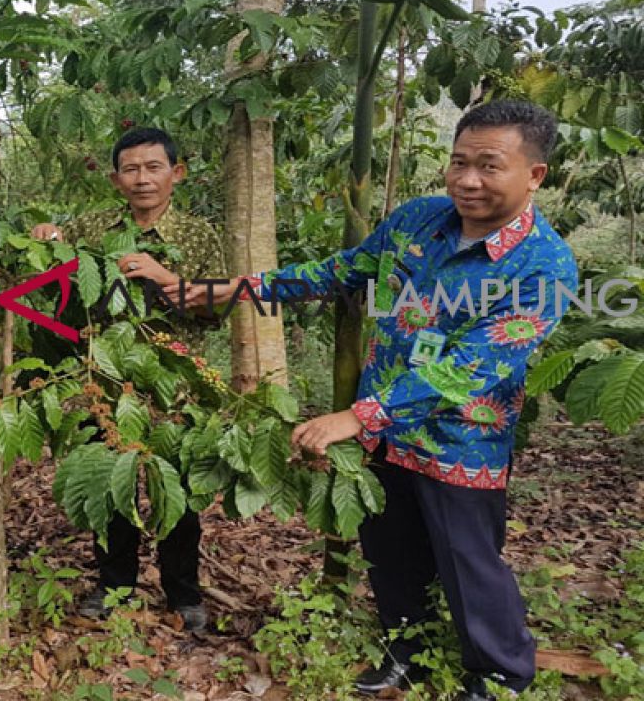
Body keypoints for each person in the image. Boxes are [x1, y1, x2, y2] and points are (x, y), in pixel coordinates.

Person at [175, 100, 577, 699]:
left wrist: (355, 416)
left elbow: (472, 369)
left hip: (459, 442)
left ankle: (499, 673)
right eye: (459, 162)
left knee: (470, 563)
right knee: (389, 553)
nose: (468, 180)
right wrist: (229, 289)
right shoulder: (419, 220)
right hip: (382, 437)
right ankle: (405, 651)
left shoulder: (543, 266)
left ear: (534, 176)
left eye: (490, 166)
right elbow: (340, 271)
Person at [32, 126, 225, 632]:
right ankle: (114, 585)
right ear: (116, 179)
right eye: (131, 170)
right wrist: (48, 238)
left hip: (172, 391)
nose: (143, 179)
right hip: (105, 387)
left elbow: (215, 310)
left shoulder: (199, 236)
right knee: (109, 491)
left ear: (176, 174)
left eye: (154, 167)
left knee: (176, 498)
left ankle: (183, 593)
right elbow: (56, 274)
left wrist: (167, 279)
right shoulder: (93, 227)